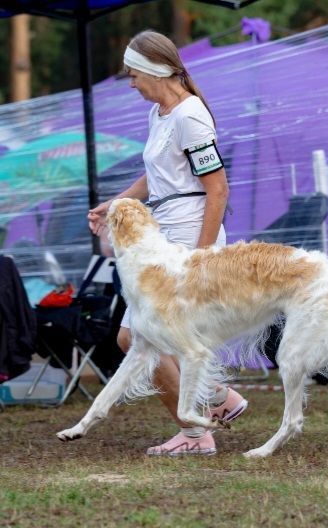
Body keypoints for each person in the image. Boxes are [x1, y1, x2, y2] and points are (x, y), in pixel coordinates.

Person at [87, 30, 247, 455]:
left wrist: (202, 254)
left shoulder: (190, 117)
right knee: (141, 339)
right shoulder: (159, 113)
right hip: (163, 233)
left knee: (139, 339)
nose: (131, 83)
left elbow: (218, 190)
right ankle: (215, 402)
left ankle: (199, 429)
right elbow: (155, 176)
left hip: (189, 238)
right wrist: (116, 203)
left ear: (155, 71)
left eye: (133, 75)